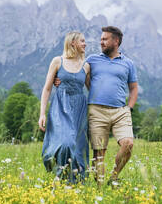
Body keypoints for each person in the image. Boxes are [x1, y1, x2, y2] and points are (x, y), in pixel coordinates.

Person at [55, 26, 138, 186]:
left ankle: (114, 177)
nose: (101, 42)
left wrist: (130, 107)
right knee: (99, 152)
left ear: (116, 41)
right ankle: (100, 189)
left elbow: (133, 88)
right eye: (101, 39)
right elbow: (74, 71)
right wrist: (57, 79)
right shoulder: (92, 59)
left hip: (121, 111)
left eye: (105, 39)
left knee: (128, 144)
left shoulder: (128, 63)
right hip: (96, 111)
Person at [38, 31, 90, 183]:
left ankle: (76, 183)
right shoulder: (57, 61)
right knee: (65, 143)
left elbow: (91, 89)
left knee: (78, 148)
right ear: (72, 42)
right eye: (82, 41)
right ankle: (61, 175)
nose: (85, 44)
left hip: (79, 109)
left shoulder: (86, 66)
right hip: (60, 106)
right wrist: (42, 113)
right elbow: (47, 88)